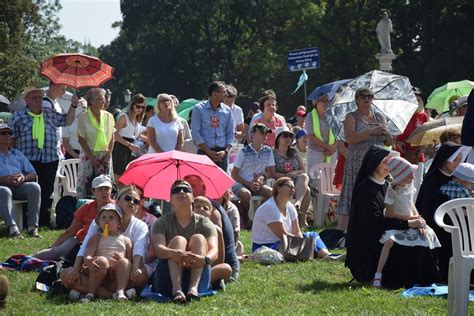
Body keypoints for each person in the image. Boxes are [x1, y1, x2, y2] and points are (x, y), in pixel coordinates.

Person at [345, 145, 439, 288]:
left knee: (425, 235)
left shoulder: (389, 185)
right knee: (403, 243)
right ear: (373, 163)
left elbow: (406, 205)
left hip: (390, 228)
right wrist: (407, 224)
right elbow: (375, 223)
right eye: (384, 162)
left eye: (389, 162)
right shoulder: (365, 189)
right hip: (371, 246)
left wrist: (417, 220)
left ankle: (428, 278)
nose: (387, 165)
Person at [61, 185, 149, 301]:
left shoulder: (140, 226)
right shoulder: (101, 219)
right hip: (96, 269)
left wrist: (135, 268)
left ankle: (89, 292)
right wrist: (76, 269)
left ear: (138, 207)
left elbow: (139, 249)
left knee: (141, 275)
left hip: (117, 274)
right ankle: (112, 295)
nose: (132, 202)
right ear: (117, 201)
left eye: (136, 201)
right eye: (128, 198)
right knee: (65, 274)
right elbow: (85, 245)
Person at [12, 86, 76, 227]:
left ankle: (43, 221)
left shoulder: (49, 113)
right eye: (34, 97)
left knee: (47, 191)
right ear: (26, 100)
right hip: (28, 159)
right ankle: (25, 221)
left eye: (40, 97)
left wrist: (74, 105)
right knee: (29, 190)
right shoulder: (19, 116)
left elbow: (67, 121)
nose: (38, 100)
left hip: (49, 158)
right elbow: (13, 139)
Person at [372, 156, 441, 287]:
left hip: (409, 219)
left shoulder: (409, 185)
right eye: (409, 175)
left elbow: (411, 205)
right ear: (400, 176)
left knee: (427, 235)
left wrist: (419, 218)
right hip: (396, 223)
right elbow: (391, 214)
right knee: (390, 241)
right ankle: (378, 274)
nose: (413, 178)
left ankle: (426, 273)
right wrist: (410, 220)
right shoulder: (391, 191)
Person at [150, 180, 218, 303]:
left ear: (193, 198)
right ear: (170, 199)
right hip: (168, 280)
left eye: (186, 189)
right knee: (178, 240)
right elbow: (158, 249)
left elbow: (214, 250)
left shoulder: (205, 223)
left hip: (198, 274)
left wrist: (204, 259)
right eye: (176, 190)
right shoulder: (161, 222)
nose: (182, 191)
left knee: (198, 238)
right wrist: (174, 254)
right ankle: (177, 290)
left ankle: (193, 289)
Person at [336, 87, 392, 231]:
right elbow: (350, 139)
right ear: (357, 99)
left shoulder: (380, 116)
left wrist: (387, 133)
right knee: (356, 191)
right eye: (363, 96)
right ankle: (350, 227)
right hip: (358, 161)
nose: (367, 99)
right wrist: (370, 132)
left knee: (376, 191)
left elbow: (389, 142)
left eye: (370, 96)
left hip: (378, 162)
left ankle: (374, 221)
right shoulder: (351, 116)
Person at [252, 177, 344, 260]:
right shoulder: (269, 207)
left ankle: (328, 256)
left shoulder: (290, 207)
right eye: (289, 186)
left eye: (293, 187)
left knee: (312, 235)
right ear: (278, 188)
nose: (292, 189)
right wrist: (304, 244)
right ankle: (314, 253)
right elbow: (283, 235)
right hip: (267, 246)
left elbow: (297, 232)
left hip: (285, 241)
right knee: (305, 242)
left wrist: (303, 242)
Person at [33, 175, 113, 261]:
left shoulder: (116, 208)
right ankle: (28, 259)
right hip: (82, 240)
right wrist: (53, 246)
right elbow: (71, 231)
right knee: (56, 252)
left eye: (107, 189)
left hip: (108, 243)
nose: (104, 192)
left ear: (111, 191)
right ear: (93, 192)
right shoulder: (86, 207)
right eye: (100, 189)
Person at [415, 142, 462, 282]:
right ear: (444, 160)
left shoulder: (456, 177)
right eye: (455, 160)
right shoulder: (432, 180)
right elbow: (427, 208)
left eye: (459, 159)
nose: (458, 163)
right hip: (436, 224)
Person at [183, 174, 240, 281]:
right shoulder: (187, 210)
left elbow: (215, 243)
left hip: (220, 264)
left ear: (203, 188)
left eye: (192, 186)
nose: (188, 191)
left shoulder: (212, 209)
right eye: (185, 188)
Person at [77, 203, 132, 302]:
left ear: (119, 223)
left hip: (115, 275)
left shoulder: (126, 240)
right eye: (103, 217)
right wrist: (89, 260)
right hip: (98, 271)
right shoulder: (96, 237)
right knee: (102, 260)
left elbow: (129, 260)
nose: (107, 220)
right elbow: (88, 254)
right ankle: (90, 294)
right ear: (98, 222)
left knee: (124, 262)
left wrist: (122, 258)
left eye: (111, 217)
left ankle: (120, 291)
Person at [0, 119, 40, 238]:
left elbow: (33, 174)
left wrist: (24, 177)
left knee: (34, 187)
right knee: (4, 190)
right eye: (3, 133)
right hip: (2, 188)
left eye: (9, 133)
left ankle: (32, 228)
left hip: (18, 186)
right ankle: (12, 228)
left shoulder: (18, 154)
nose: (8, 136)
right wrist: (3, 179)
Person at [76, 88, 115, 198]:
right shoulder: (83, 117)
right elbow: (81, 139)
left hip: (105, 154)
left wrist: (108, 155)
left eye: (103, 99)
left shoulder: (109, 116)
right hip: (89, 155)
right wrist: (92, 158)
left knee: (105, 184)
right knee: (86, 185)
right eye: (99, 99)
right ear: (92, 101)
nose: (103, 101)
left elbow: (112, 137)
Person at [231, 123, 274, 220]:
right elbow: (234, 174)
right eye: (262, 133)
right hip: (241, 183)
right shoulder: (243, 152)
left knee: (272, 193)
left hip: (257, 184)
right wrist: (249, 184)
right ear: (253, 134)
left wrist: (262, 177)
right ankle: (246, 219)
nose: (265, 135)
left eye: (266, 133)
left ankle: (256, 217)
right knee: (246, 194)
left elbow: (270, 172)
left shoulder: (268, 150)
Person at [270, 126, 311, 227]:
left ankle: (297, 204)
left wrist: (293, 174)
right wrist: (286, 175)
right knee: (307, 190)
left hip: (296, 179)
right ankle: (300, 219)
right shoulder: (272, 153)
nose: (288, 138)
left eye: (290, 136)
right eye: (285, 135)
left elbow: (302, 170)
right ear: (278, 138)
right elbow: (272, 173)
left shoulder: (294, 151)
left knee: (304, 177)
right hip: (281, 180)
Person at [192, 81, 234, 171]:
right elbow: (195, 134)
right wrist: (209, 152)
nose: (226, 94)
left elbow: (230, 133)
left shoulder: (227, 111)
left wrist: (225, 151)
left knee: (222, 184)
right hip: (204, 153)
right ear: (214, 94)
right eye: (224, 92)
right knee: (203, 183)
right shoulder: (198, 109)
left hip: (222, 154)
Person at [193, 196, 232, 288]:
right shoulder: (186, 227)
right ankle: (202, 283)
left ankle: (203, 282)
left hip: (207, 267)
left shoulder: (216, 230)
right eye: (197, 207)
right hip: (189, 268)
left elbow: (219, 261)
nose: (201, 209)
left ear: (210, 215)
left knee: (226, 268)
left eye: (205, 208)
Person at [112, 94, 146, 181]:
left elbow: (136, 135)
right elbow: (114, 133)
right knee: (118, 177)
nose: (140, 109)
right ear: (132, 105)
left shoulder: (137, 120)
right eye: (138, 106)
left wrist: (152, 140)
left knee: (127, 177)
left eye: (142, 107)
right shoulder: (124, 116)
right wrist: (129, 145)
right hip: (120, 147)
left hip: (130, 148)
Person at [305, 93, 337, 172]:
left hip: (332, 151)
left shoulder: (334, 115)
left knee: (330, 179)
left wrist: (333, 148)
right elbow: (311, 137)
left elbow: (339, 134)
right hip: (316, 151)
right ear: (316, 103)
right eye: (323, 101)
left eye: (328, 101)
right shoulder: (310, 116)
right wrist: (329, 147)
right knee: (314, 178)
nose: (326, 103)